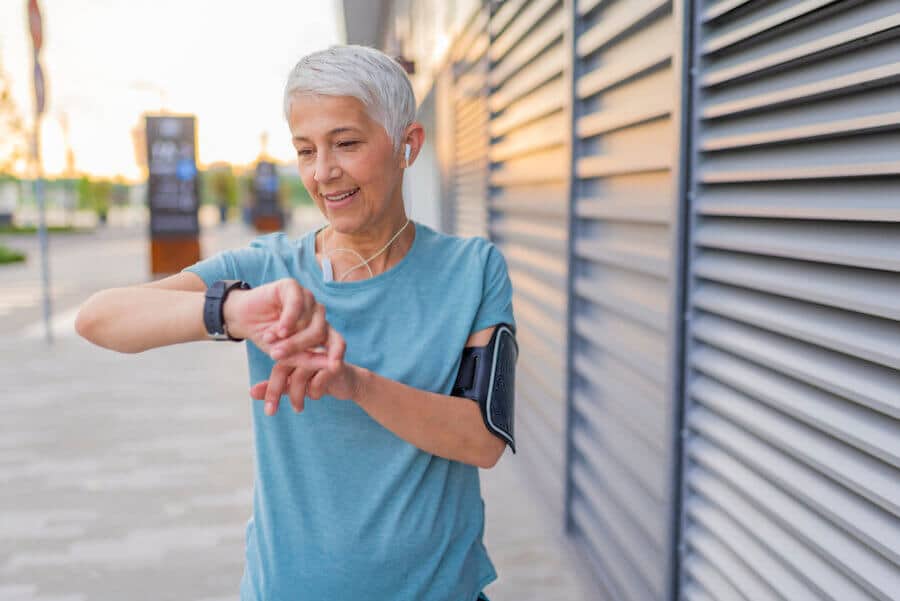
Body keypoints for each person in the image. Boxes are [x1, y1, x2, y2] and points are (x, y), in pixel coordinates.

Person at [76, 45, 515, 601]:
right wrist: (233, 310)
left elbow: (481, 441)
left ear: (408, 144)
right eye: (305, 150)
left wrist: (354, 384)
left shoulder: (472, 270)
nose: (323, 172)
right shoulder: (262, 270)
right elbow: (99, 318)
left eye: (346, 143)